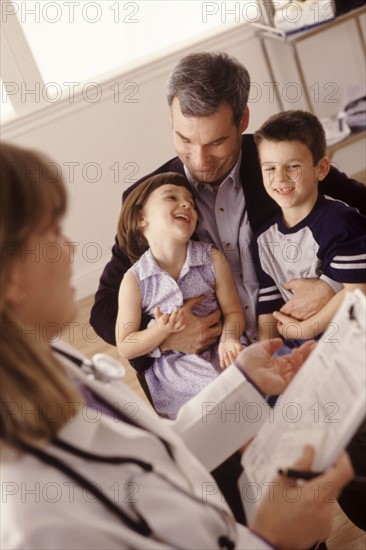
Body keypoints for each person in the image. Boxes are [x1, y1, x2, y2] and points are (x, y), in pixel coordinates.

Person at [0, 142, 354, 550]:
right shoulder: (32, 520)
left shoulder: (54, 360)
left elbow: (157, 451)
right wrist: (272, 540)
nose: (71, 249)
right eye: (53, 233)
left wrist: (239, 382)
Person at [90, 51, 366, 356]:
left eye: (216, 142)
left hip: (307, 344)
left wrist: (332, 284)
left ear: (243, 119)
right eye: (185, 139)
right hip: (215, 368)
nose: (199, 159)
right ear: (171, 119)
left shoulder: (281, 161)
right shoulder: (150, 200)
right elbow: (102, 310)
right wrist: (165, 337)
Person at [116, 172, 245, 419]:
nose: (186, 204)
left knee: (253, 399)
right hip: (176, 377)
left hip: (221, 354)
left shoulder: (212, 258)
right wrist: (161, 331)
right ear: (141, 217)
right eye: (171, 197)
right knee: (212, 419)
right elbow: (125, 345)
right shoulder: (135, 281)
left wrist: (229, 339)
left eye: (190, 202)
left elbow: (233, 312)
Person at [252, 110, 366, 347]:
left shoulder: (339, 220)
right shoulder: (263, 239)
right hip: (301, 354)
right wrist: (268, 350)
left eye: (292, 166)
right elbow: (268, 309)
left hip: (350, 341)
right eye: (270, 168)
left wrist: (304, 330)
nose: (280, 178)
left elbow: (357, 292)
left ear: (322, 168)